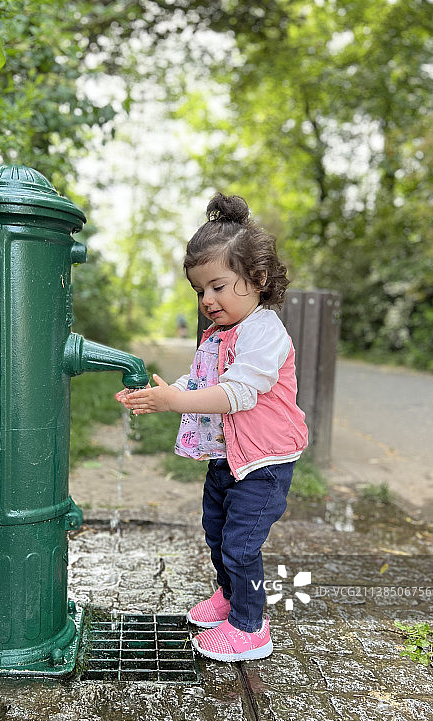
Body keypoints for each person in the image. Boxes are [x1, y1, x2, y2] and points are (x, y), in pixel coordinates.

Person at [116, 193, 308, 662]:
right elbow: (204, 381)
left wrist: (176, 400)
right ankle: (229, 595)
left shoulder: (264, 331)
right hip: (228, 456)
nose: (208, 300)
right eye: (200, 291)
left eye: (218, 286)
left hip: (263, 462)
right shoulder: (220, 333)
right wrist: (164, 394)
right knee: (217, 531)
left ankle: (250, 625)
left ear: (257, 279)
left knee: (242, 545)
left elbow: (238, 393)